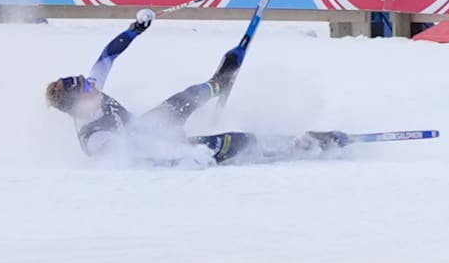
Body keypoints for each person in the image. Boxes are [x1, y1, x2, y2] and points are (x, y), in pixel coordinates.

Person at [45, 10, 347, 167]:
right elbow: (138, 162)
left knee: (186, 97)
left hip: (149, 126)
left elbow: (109, 54)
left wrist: (134, 28)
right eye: (86, 88)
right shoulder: (96, 139)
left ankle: (218, 84)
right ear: (77, 106)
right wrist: (189, 154)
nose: (92, 84)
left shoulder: (90, 89)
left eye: (87, 82)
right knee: (240, 142)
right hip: (164, 148)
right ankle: (295, 146)